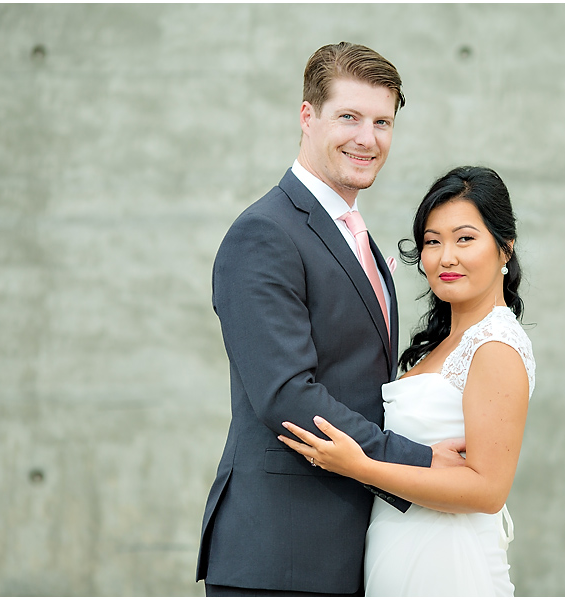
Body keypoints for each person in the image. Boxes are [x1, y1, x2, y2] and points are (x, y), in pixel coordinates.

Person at [195, 42, 466, 597]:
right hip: (281, 556)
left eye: (382, 122)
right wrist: (416, 463)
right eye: (349, 117)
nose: (367, 138)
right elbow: (288, 397)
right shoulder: (265, 234)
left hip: (348, 550)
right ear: (306, 116)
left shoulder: (354, 233)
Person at [279, 165, 536, 596]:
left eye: (465, 238)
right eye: (433, 242)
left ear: (505, 248)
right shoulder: (440, 344)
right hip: (398, 552)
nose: (445, 257)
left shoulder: (496, 344)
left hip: (449, 564)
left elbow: (487, 489)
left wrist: (361, 466)